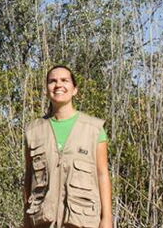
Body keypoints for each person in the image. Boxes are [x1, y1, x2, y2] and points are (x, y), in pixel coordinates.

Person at [22, 65, 113, 228]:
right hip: (43, 221)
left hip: (82, 221)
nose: (58, 85)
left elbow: (102, 174)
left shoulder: (94, 129)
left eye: (64, 80)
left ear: (74, 89)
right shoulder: (33, 131)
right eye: (52, 81)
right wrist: (26, 219)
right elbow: (29, 178)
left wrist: (107, 219)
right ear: (47, 89)